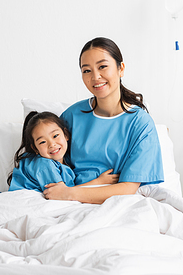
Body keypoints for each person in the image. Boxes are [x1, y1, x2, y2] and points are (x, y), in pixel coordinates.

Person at [43, 37, 164, 204]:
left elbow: (127, 188)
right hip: (63, 201)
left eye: (102, 67)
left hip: (111, 203)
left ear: (121, 68)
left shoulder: (140, 124)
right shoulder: (72, 116)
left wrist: (70, 194)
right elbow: (49, 162)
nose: (95, 76)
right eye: (87, 70)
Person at [8, 111, 118, 192]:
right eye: (42, 142)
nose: (52, 144)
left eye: (55, 136)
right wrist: (98, 182)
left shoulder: (66, 163)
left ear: (65, 135)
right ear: (35, 149)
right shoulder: (44, 165)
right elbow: (62, 194)